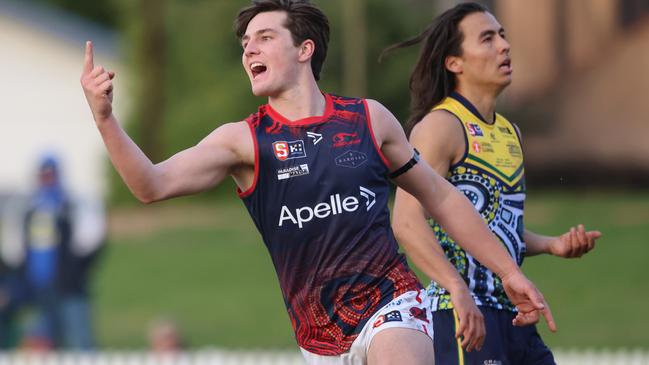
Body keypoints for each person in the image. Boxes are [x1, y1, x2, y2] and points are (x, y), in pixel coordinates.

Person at [81, 1, 555, 363]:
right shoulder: (243, 141)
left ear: (304, 49)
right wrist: (105, 118)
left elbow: (444, 199)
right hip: (320, 339)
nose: (249, 48)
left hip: (392, 303)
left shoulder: (368, 119)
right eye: (246, 41)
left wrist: (509, 271)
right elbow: (150, 185)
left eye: (264, 37)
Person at [386, 3, 602, 364]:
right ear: (454, 63)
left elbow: (497, 226)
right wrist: (456, 288)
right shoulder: (441, 127)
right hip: (464, 317)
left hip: (515, 313)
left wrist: (552, 245)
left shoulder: (510, 133)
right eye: (487, 38)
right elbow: (406, 222)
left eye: (502, 35)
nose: (504, 45)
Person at [19, 155, 103, 350]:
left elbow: (90, 241)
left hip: (69, 287)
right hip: (40, 287)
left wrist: (75, 272)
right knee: (45, 342)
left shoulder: (70, 205)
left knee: (80, 340)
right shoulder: (32, 209)